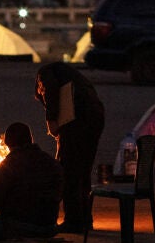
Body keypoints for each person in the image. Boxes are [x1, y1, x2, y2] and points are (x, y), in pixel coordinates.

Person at [34, 62, 104, 233]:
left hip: (78, 118)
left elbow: (50, 91)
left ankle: (73, 221)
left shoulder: (45, 73)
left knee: (69, 171)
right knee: (83, 171)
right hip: (96, 117)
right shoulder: (71, 76)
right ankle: (85, 220)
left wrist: (51, 120)